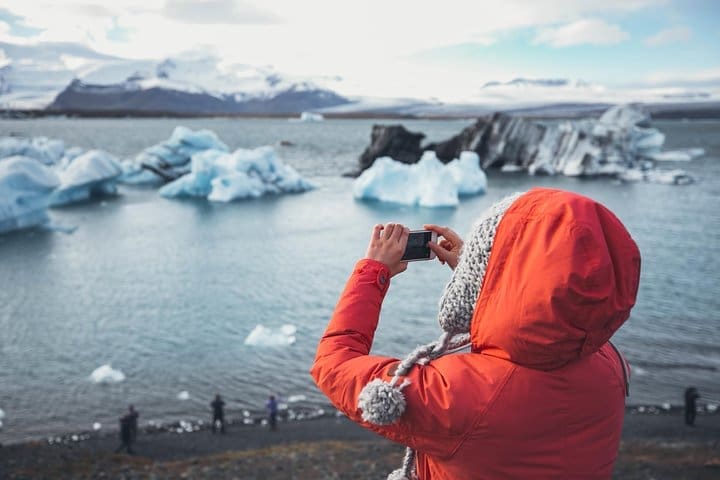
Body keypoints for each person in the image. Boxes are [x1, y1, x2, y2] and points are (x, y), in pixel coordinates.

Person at [311, 188, 640, 479]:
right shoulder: (608, 364)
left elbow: (334, 363)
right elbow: (557, 312)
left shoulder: (459, 396)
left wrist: (373, 271)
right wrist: (482, 276)